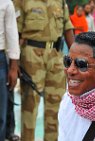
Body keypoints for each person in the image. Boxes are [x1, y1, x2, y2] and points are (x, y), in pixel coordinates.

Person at [13, 0, 74, 140]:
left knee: (56, 107)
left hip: (56, 57)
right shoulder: (21, 1)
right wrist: (14, 64)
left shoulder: (60, 1)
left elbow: (68, 29)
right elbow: (15, 33)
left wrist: (76, 58)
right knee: (30, 106)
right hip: (31, 57)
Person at [0, 0, 20, 140]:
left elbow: (12, 35)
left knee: (0, 113)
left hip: (0, 58)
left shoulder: (6, 3)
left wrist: (13, 67)